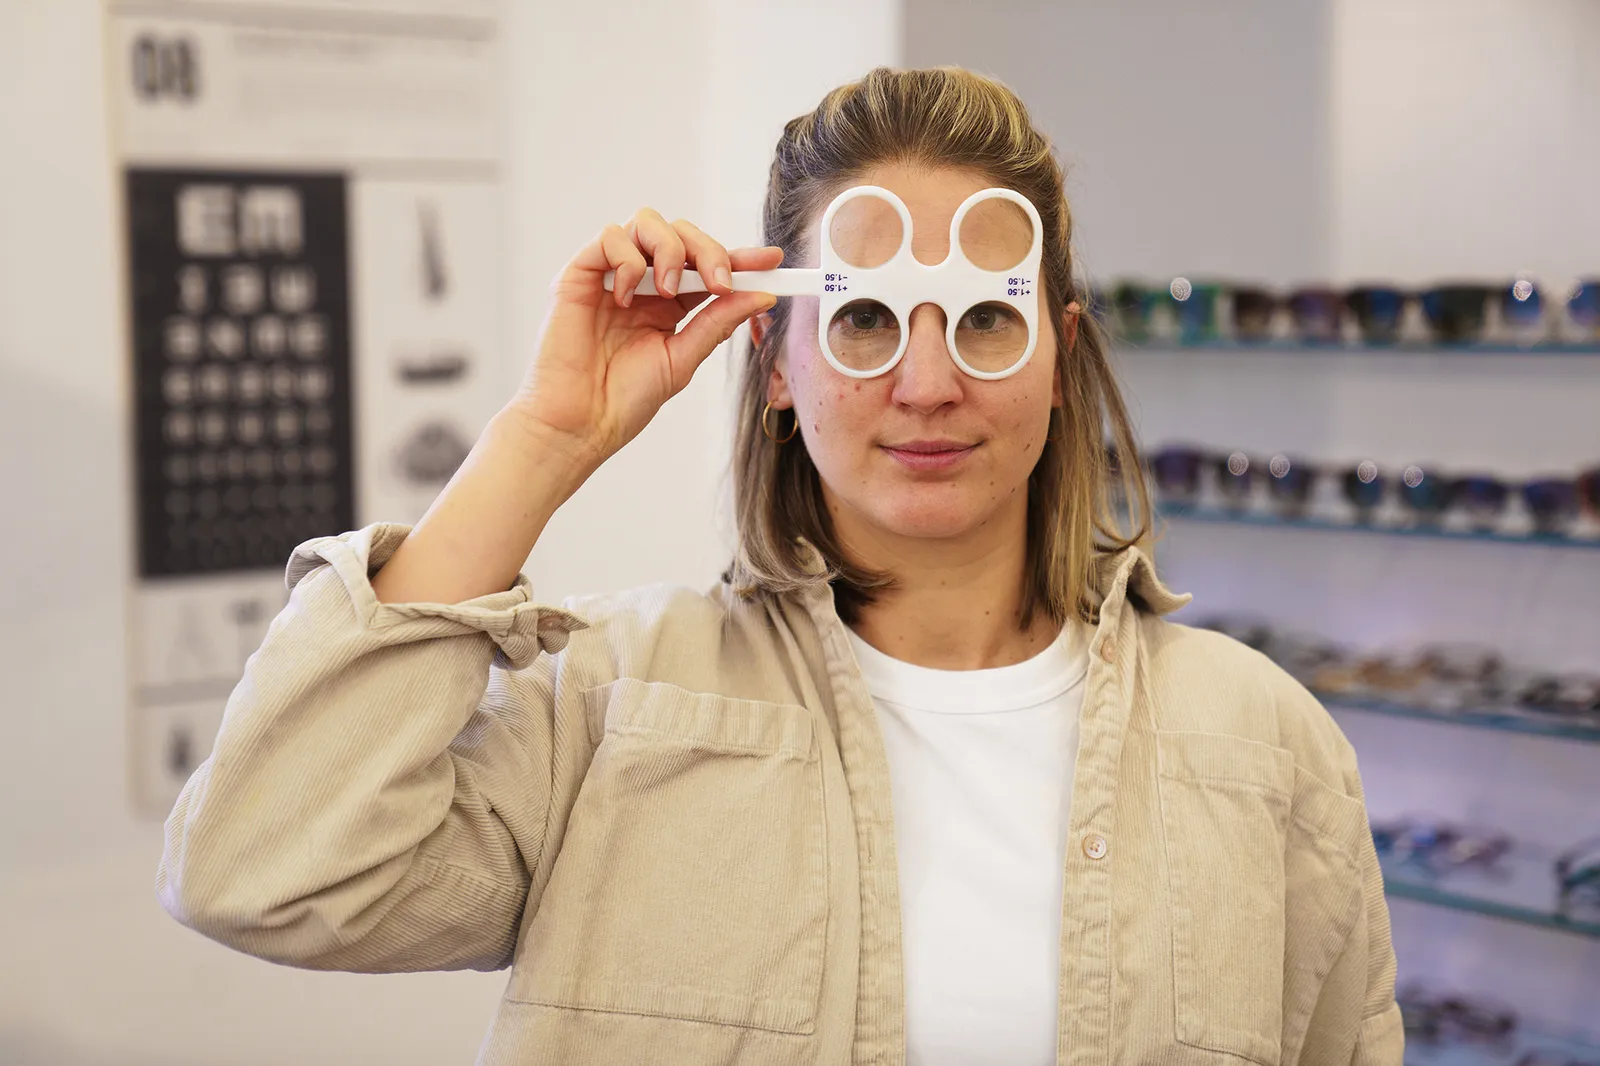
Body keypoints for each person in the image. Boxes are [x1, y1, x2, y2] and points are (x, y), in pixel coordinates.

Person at [156, 67, 1402, 1066]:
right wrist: (543, 440)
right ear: (775, 373)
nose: (926, 382)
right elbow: (260, 869)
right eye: (861, 316)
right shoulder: (607, 707)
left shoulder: (1266, 747)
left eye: (985, 316)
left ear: (1058, 358)